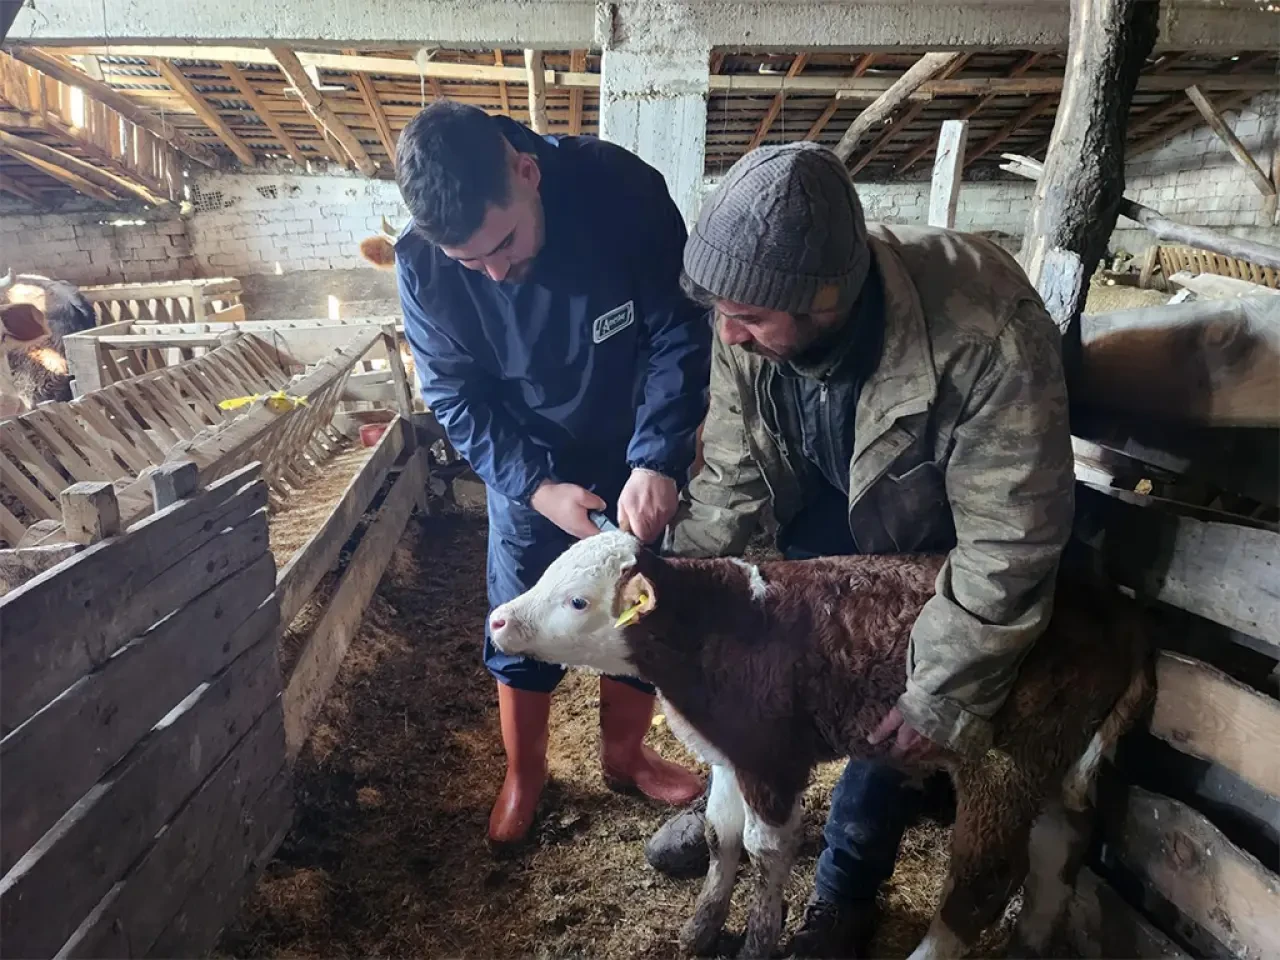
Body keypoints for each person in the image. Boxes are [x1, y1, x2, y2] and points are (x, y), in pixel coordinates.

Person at [644, 142, 1075, 957]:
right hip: (827, 519)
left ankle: (845, 885)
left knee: (886, 709)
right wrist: (676, 597)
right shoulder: (746, 327)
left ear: (827, 299)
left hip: (937, 551)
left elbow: (1010, 540)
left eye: (750, 320)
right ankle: (729, 805)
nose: (728, 337)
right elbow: (736, 484)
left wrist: (940, 691)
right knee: (759, 660)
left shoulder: (988, 336)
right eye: (718, 313)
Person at [392, 101, 711, 847]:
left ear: (527, 172)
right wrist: (534, 487)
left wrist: (658, 454)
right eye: (472, 262)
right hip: (526, 457)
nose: (496, 273)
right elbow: (452, 394)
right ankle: (526, 772)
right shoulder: (425, 267)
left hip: (629, 433)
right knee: (517, 608)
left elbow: (675, 326)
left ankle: (625, 755)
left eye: (503, 243)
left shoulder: (622, 194)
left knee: (638, 601)